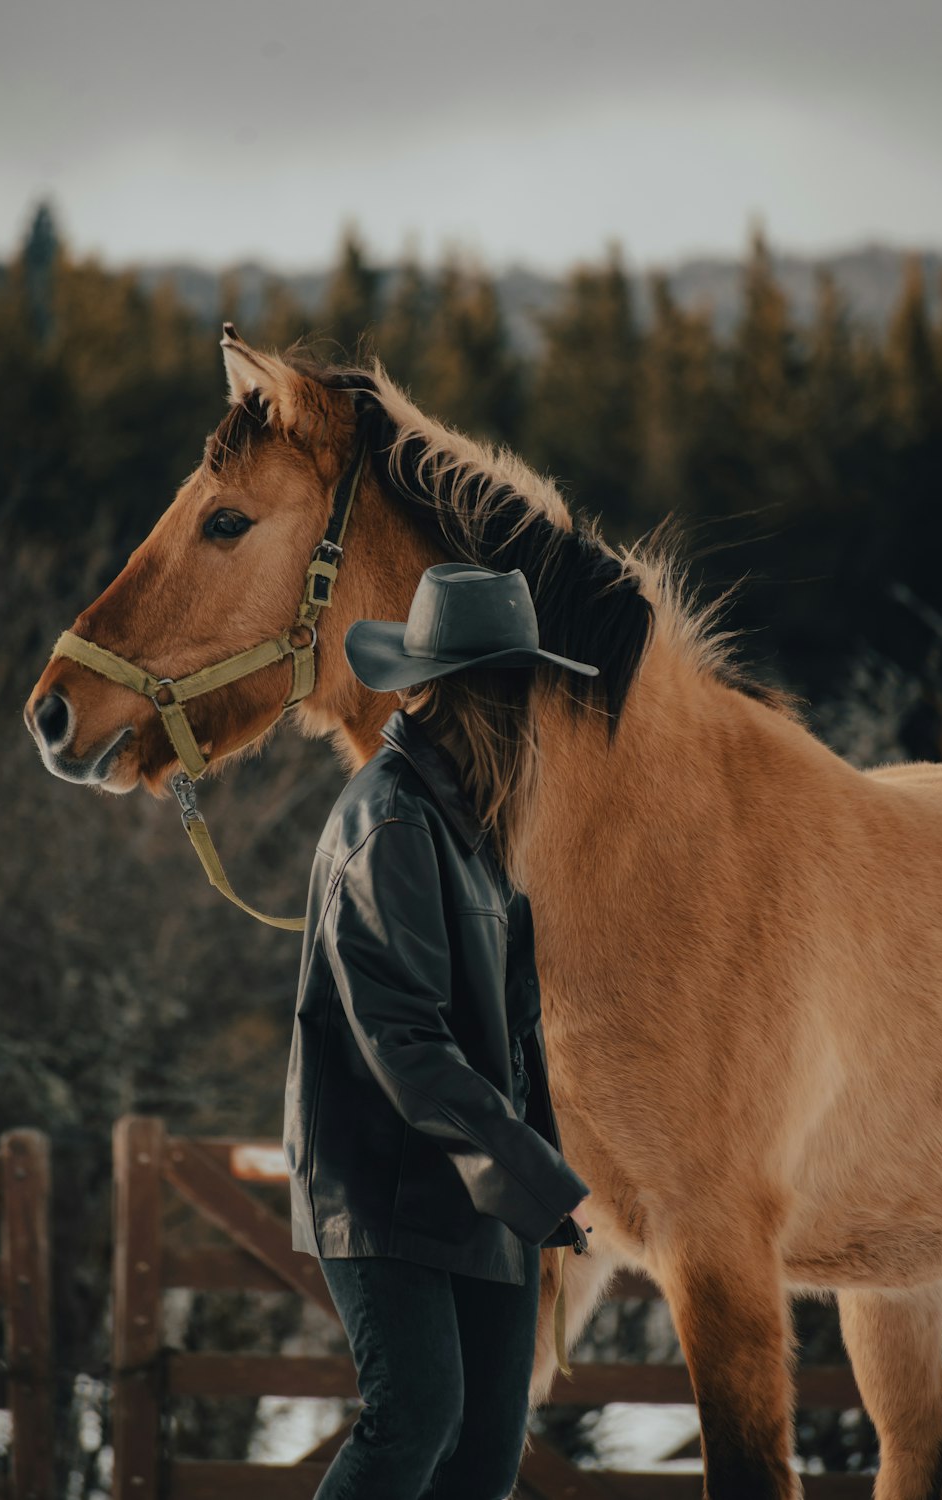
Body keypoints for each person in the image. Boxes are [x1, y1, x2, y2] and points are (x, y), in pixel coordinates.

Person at [284, 562, 596, 1500]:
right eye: (519, 687)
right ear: (478, 699)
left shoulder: (479, 831)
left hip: (478, 1188)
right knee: (413, 1424)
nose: (538, 713)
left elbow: (516, 1028)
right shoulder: (390, 822)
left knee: (486, 1457)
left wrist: (537, 1162)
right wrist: (537, 1180)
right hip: (385, 1193)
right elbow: (408, 1046)